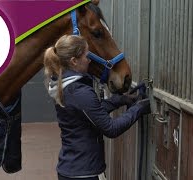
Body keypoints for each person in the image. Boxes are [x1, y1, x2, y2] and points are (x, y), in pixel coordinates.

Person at [43, 35, 151, 180]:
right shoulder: (79, 92)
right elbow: (111, 129)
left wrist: (120, 100)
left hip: (71, 168)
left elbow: (90, 111)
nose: (89, 60)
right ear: (74, 61)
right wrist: (138, 109)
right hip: (84, 173)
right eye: (86, 56)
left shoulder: (64, 85)